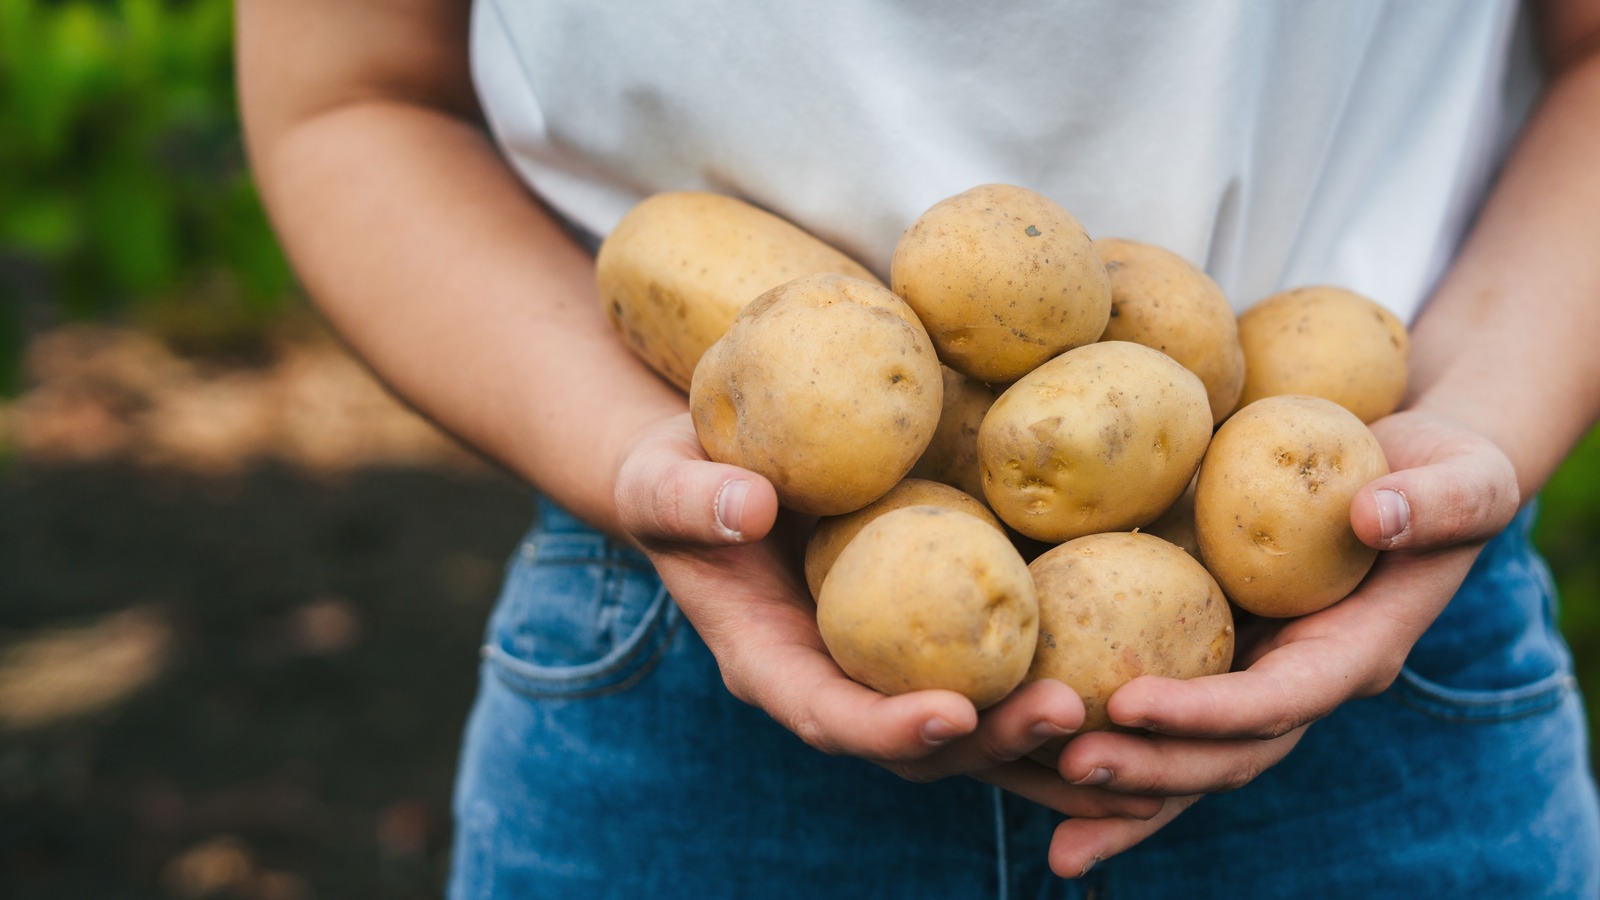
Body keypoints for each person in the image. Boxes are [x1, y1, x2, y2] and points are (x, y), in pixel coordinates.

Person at [236, 1, 1600, 896]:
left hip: (1378, 603)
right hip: (686, 632)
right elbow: (351, 94)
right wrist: (636, 456)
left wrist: (1480, 425)